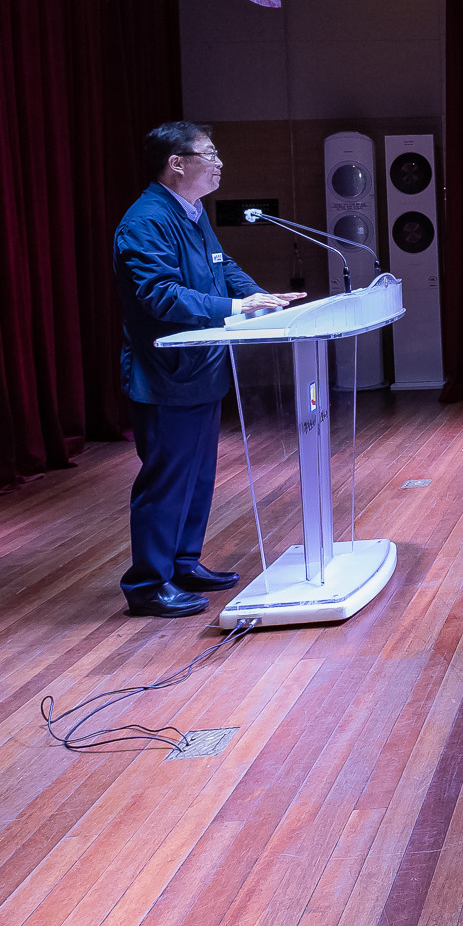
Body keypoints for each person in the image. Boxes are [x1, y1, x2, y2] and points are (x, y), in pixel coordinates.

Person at [112, 123, 301, 618]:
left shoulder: (193, 214)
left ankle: (184, 562)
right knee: (167, 480)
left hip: (202, 367)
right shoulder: (146, 221)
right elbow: (159, 294)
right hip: (165, 372)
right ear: (177, 162)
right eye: (210, 154)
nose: (219, 163)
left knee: (198, 477)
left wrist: (263, 298)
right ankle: (149, 584)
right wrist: (237, 308)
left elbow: (223, 267)